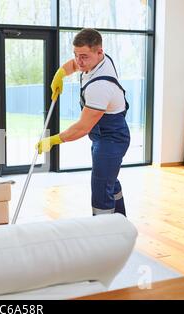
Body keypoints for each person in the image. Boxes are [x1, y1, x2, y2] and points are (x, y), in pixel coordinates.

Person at [36, 28, 130, 217]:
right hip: (102, 135)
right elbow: (74, 65)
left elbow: (82, 128)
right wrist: (60, 74)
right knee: (109, 181)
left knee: (100, 188)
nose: (79, 62)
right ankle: (121, 224)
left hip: (111, 138)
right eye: (76, 55)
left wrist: (52, 140)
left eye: (84, 57)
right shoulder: (98, 61)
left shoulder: (100, 86)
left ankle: (104, 235)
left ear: (99, 52)